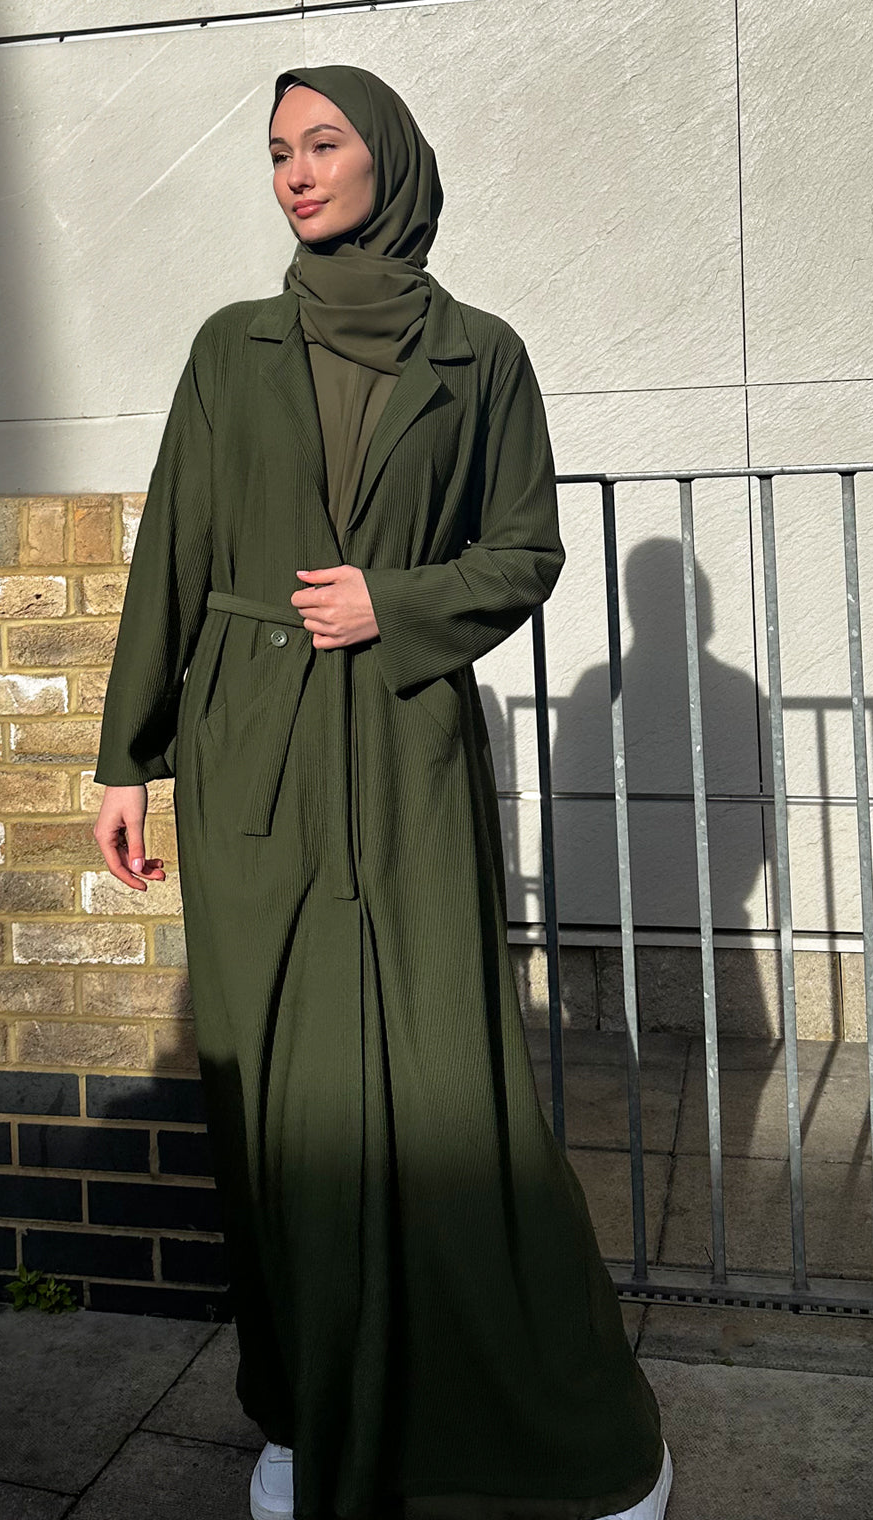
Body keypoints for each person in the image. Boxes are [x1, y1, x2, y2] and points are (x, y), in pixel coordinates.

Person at [92, 63, 673, 1520]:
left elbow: (525, 551)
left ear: (387, 161)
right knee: (277, 1106)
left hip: (407, 754)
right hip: (251, 758)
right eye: (277, 151)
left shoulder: (483, 355)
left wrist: (394, 604)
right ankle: (301, 1408)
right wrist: (126, 758)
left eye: (323, 143)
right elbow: (175, 550)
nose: (295, 172)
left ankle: (556, 1418)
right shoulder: (231, 348)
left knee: (450, 1089)